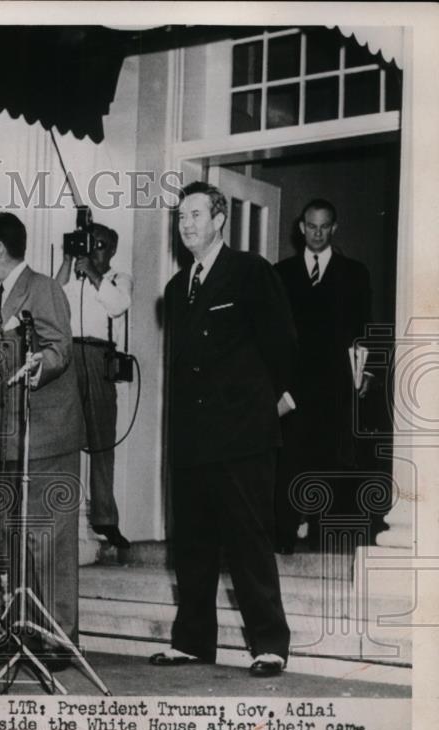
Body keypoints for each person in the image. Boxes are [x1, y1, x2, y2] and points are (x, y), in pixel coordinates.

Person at [152, 181, 294, 678]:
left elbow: (283, 342)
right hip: (192, 440)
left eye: (195, 214)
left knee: (248, 542)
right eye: (180, 216)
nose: (185, 224)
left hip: (242, 436)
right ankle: (192, 641)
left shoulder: (251, 272)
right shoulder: (175, 289)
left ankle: (269, 644)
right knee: (191, 543)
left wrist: (270, 404)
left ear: (218, 220)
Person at [0, 212, 85, 670]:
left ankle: (58, 637)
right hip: (11, 440)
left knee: (51, 541)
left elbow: (59, 348)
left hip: (46, 436)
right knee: (17, 541)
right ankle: (23, 629)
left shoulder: (43, 288)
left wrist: (35, 367)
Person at [274, 199, 373, 554]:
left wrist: (367, 373)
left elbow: (364, 328)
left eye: (324, 227)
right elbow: (271, 333)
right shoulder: (280, 273)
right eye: (311, 226)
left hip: (336, 384)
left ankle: (325, 541)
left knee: (333, 459)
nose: (316, 233)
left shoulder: (355, 273)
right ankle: (283, 537)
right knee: (289, 459)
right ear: (301, 227)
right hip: (293, 387)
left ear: (334, 228)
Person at [56, 223, 133, 551]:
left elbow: (118, 305)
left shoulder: (119, 277)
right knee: (63, 439)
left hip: (100, 357)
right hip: (68, 356)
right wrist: (68, 260)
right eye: (91, 244)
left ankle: (105, 520)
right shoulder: (73, 276)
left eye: (101, 245)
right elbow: (52, 296)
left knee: (102, 443)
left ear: (112, 250)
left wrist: (94, 274)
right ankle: (62, 514)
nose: (95, 250)